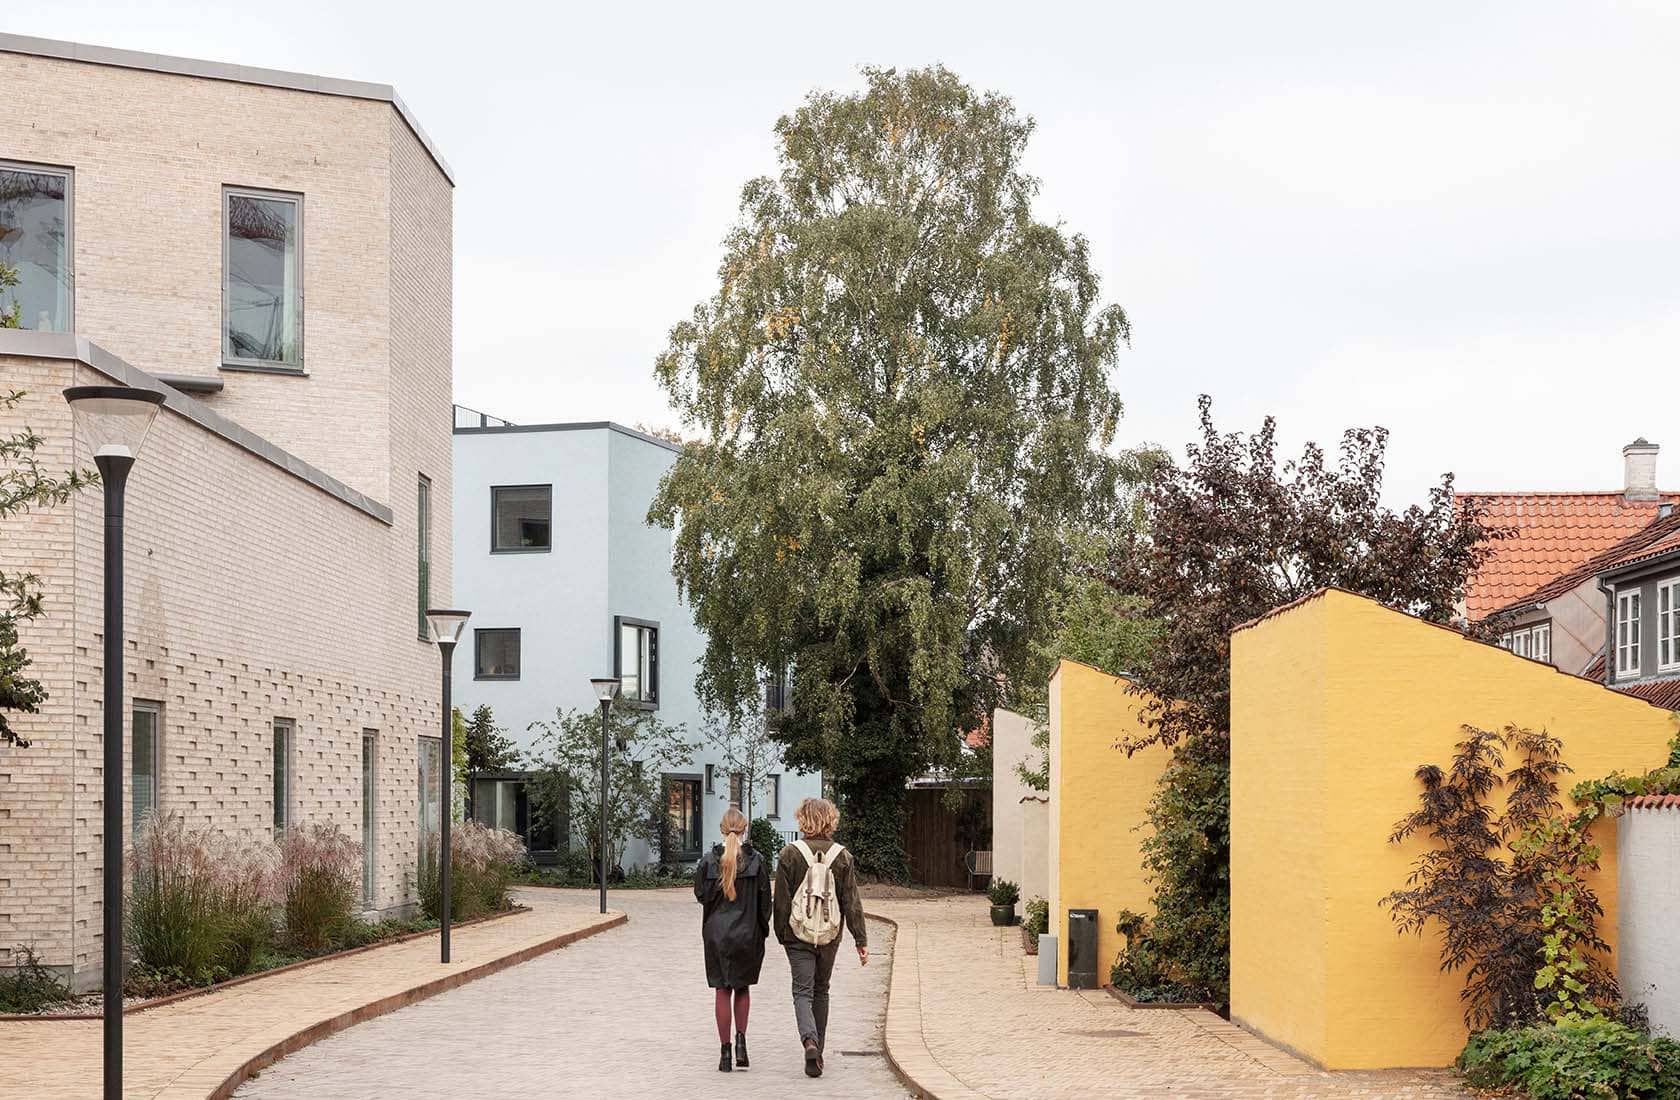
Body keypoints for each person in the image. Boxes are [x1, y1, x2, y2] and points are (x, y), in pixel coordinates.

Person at [774, 797, 867, 1079]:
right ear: (831, 820)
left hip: (798, 934)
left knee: (802, 992)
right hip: (830, 934)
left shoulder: (789, 854)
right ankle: (819, 1055)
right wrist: (860, 940)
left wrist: (783, 935)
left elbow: (781, 901)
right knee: (821, 990)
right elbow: (851, 901)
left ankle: (809, 1042)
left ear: (803, 820)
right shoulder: (843, 856)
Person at [695, 806, 770, 1073]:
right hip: (747, 933)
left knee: (722, 990)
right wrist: (762, 931)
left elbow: (701, 895)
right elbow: (765, 902)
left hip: (717, 935)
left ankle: (725, 1052)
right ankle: (741, 1044)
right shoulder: (756, 861)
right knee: (742, 988)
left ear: (721, 829)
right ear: (744, 829)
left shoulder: (708, 861)